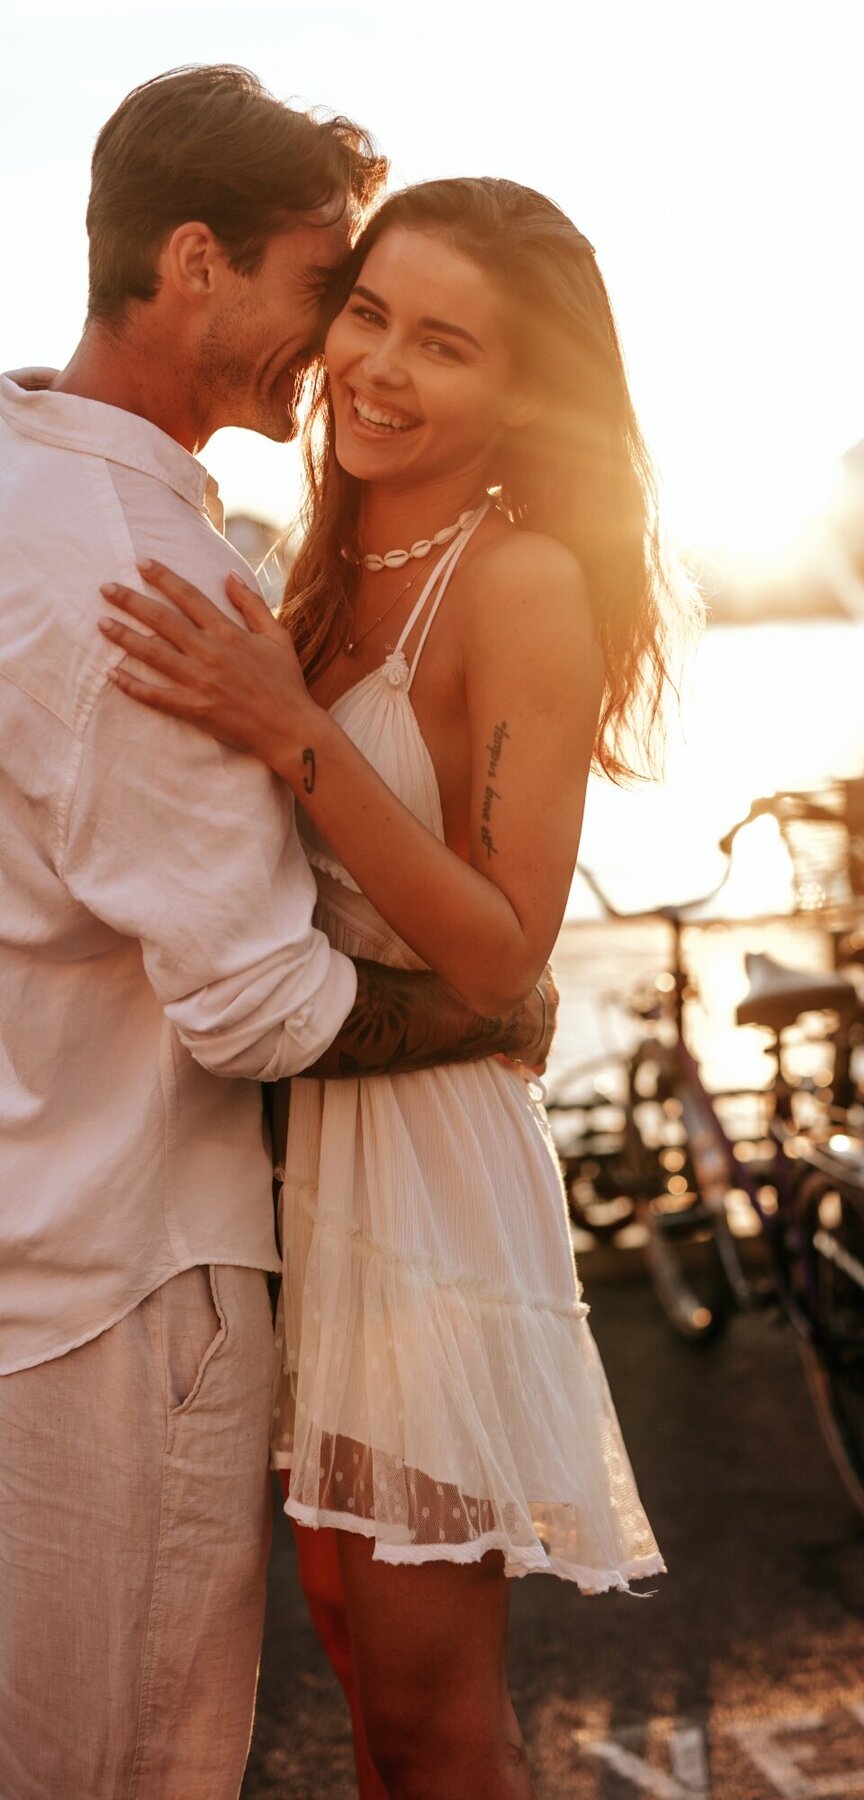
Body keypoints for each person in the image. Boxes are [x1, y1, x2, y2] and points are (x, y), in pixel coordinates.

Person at [0, 71, 555, 1800]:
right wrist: (485, 1013)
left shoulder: (71, 494)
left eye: (422, 335)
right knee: (181, 1734)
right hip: (163, 1242)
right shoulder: (175, 563)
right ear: (194, 265)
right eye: (341, 293)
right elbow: (258, 1000)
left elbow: (471, 918)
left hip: (349, 1195)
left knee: (416, 1708)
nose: (347, 353)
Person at [99, 177, 687, 1799]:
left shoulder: (522, 583)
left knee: (433, 1712)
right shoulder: (325, 559)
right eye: (367, 313)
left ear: (523, 393)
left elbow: (505, 944)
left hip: (428, 1183)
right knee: (354, 1659)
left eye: (446, 343)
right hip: (299, 1155)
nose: (379, 365)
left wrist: (289, 733)